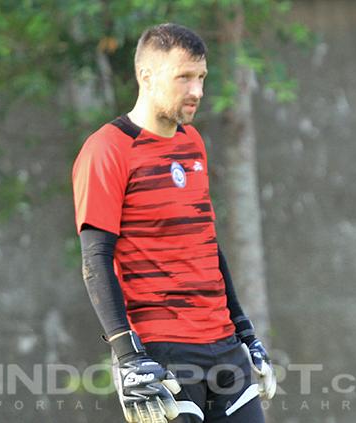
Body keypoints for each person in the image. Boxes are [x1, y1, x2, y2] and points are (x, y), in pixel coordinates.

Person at [72, 23, 275, 423]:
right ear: (146, 77)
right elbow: (95, 259)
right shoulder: (106, 150)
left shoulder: (192, 143)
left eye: (201, 77)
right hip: (162, 352)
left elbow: (205, 243)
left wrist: (244, 330)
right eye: (184, 77)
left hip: (223, 345)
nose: (197, 91)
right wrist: (128, 355)